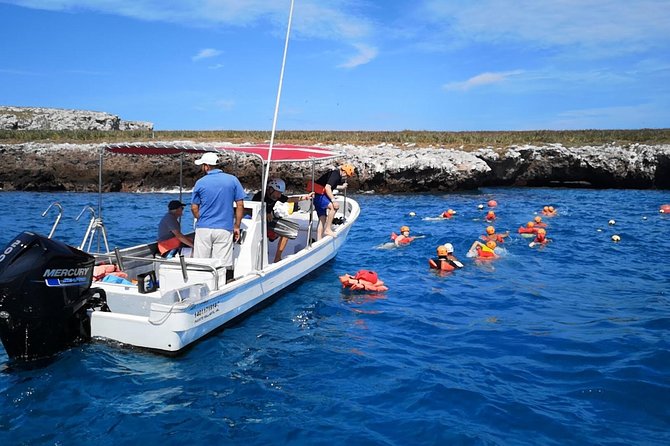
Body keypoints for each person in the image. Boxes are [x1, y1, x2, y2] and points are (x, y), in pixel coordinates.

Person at [191, 152, 246, 283]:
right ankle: (220, 287)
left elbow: (194, 207)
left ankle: (201, 285)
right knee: (221, 264)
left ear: (206, 166)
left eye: (202, 165)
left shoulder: (200, 182)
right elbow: (240, 205)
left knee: (201, 263)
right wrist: (237, 226)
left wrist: (201, 219)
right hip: (224, 228)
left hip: (204, 228)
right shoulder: (232, 180)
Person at [252, 178, 313, 263]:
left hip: (269, 223)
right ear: (271, 189)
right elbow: (252, 210)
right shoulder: (259, 196)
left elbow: (289, 200)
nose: (279, 196)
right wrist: (265, 213)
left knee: (288, 231)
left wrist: (304, 197)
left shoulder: (276, 196)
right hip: (258, 223)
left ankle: (277, 257)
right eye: (278, 193)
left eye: (280, 194)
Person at [311, 164, 355, 239]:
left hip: (316, 195)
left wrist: (342, 187)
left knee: (322, 218)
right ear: (344, 172)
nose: (346, 178)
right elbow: (328, 188)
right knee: (334, 207)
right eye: (347, 175)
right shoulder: (336, 174)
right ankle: (328, 229)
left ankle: (319, 239)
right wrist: (333, 200)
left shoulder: (335, 175)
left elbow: (331, 185)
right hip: (319, 195)